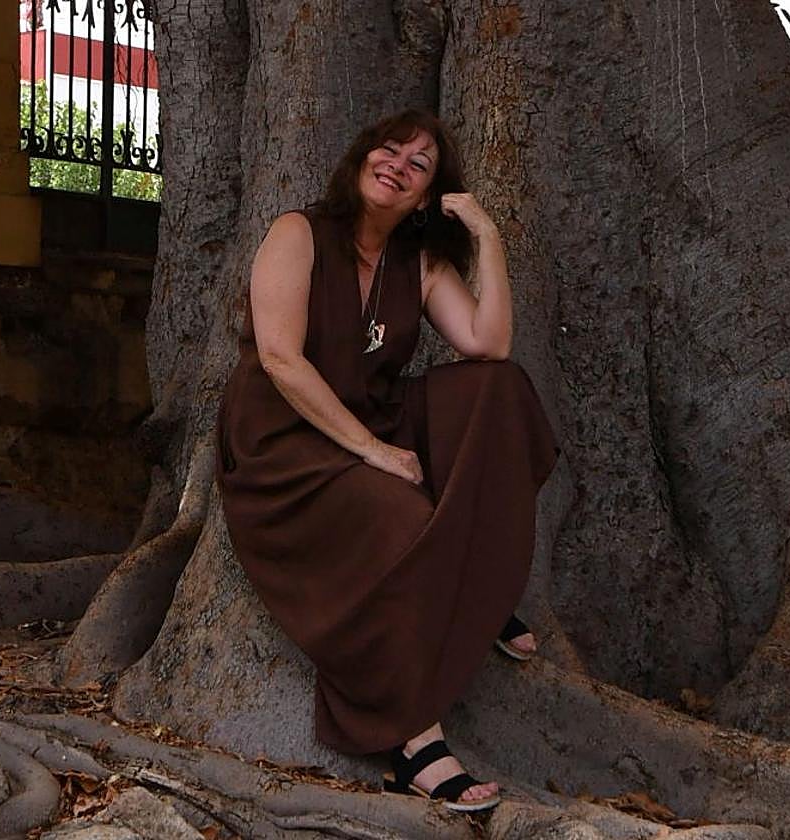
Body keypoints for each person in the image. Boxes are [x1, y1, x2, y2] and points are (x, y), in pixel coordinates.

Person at [215, 109, 558, 812]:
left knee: (497, 388)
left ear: (427, 195)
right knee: (401, 516)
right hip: (282, 446)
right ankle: (414, 742)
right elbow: (280, 358)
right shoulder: (299, 233)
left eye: (419, 163)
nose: (397, 164)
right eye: (390, 149)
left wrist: (486, 234)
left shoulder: (419, 261)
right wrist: (373, 451)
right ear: (362, 157)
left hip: (368, 419)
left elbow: (487, 342)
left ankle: (474, 584)